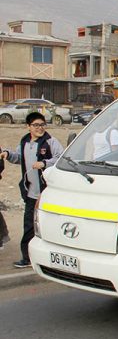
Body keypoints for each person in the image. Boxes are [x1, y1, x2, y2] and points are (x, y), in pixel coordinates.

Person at [0, 112, 64, 267]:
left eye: (42, 124)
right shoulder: (24, 142)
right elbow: (19, 158)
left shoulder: (50, 142)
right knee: (28, 225)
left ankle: (56, 257)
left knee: (50, 225)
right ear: (28, 127)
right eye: (36, 125)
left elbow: (62, 159)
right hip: (30, 192)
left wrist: (45, 163)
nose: (39, 128)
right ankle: (27, 258)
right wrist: (8, 154)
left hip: (46, 193)